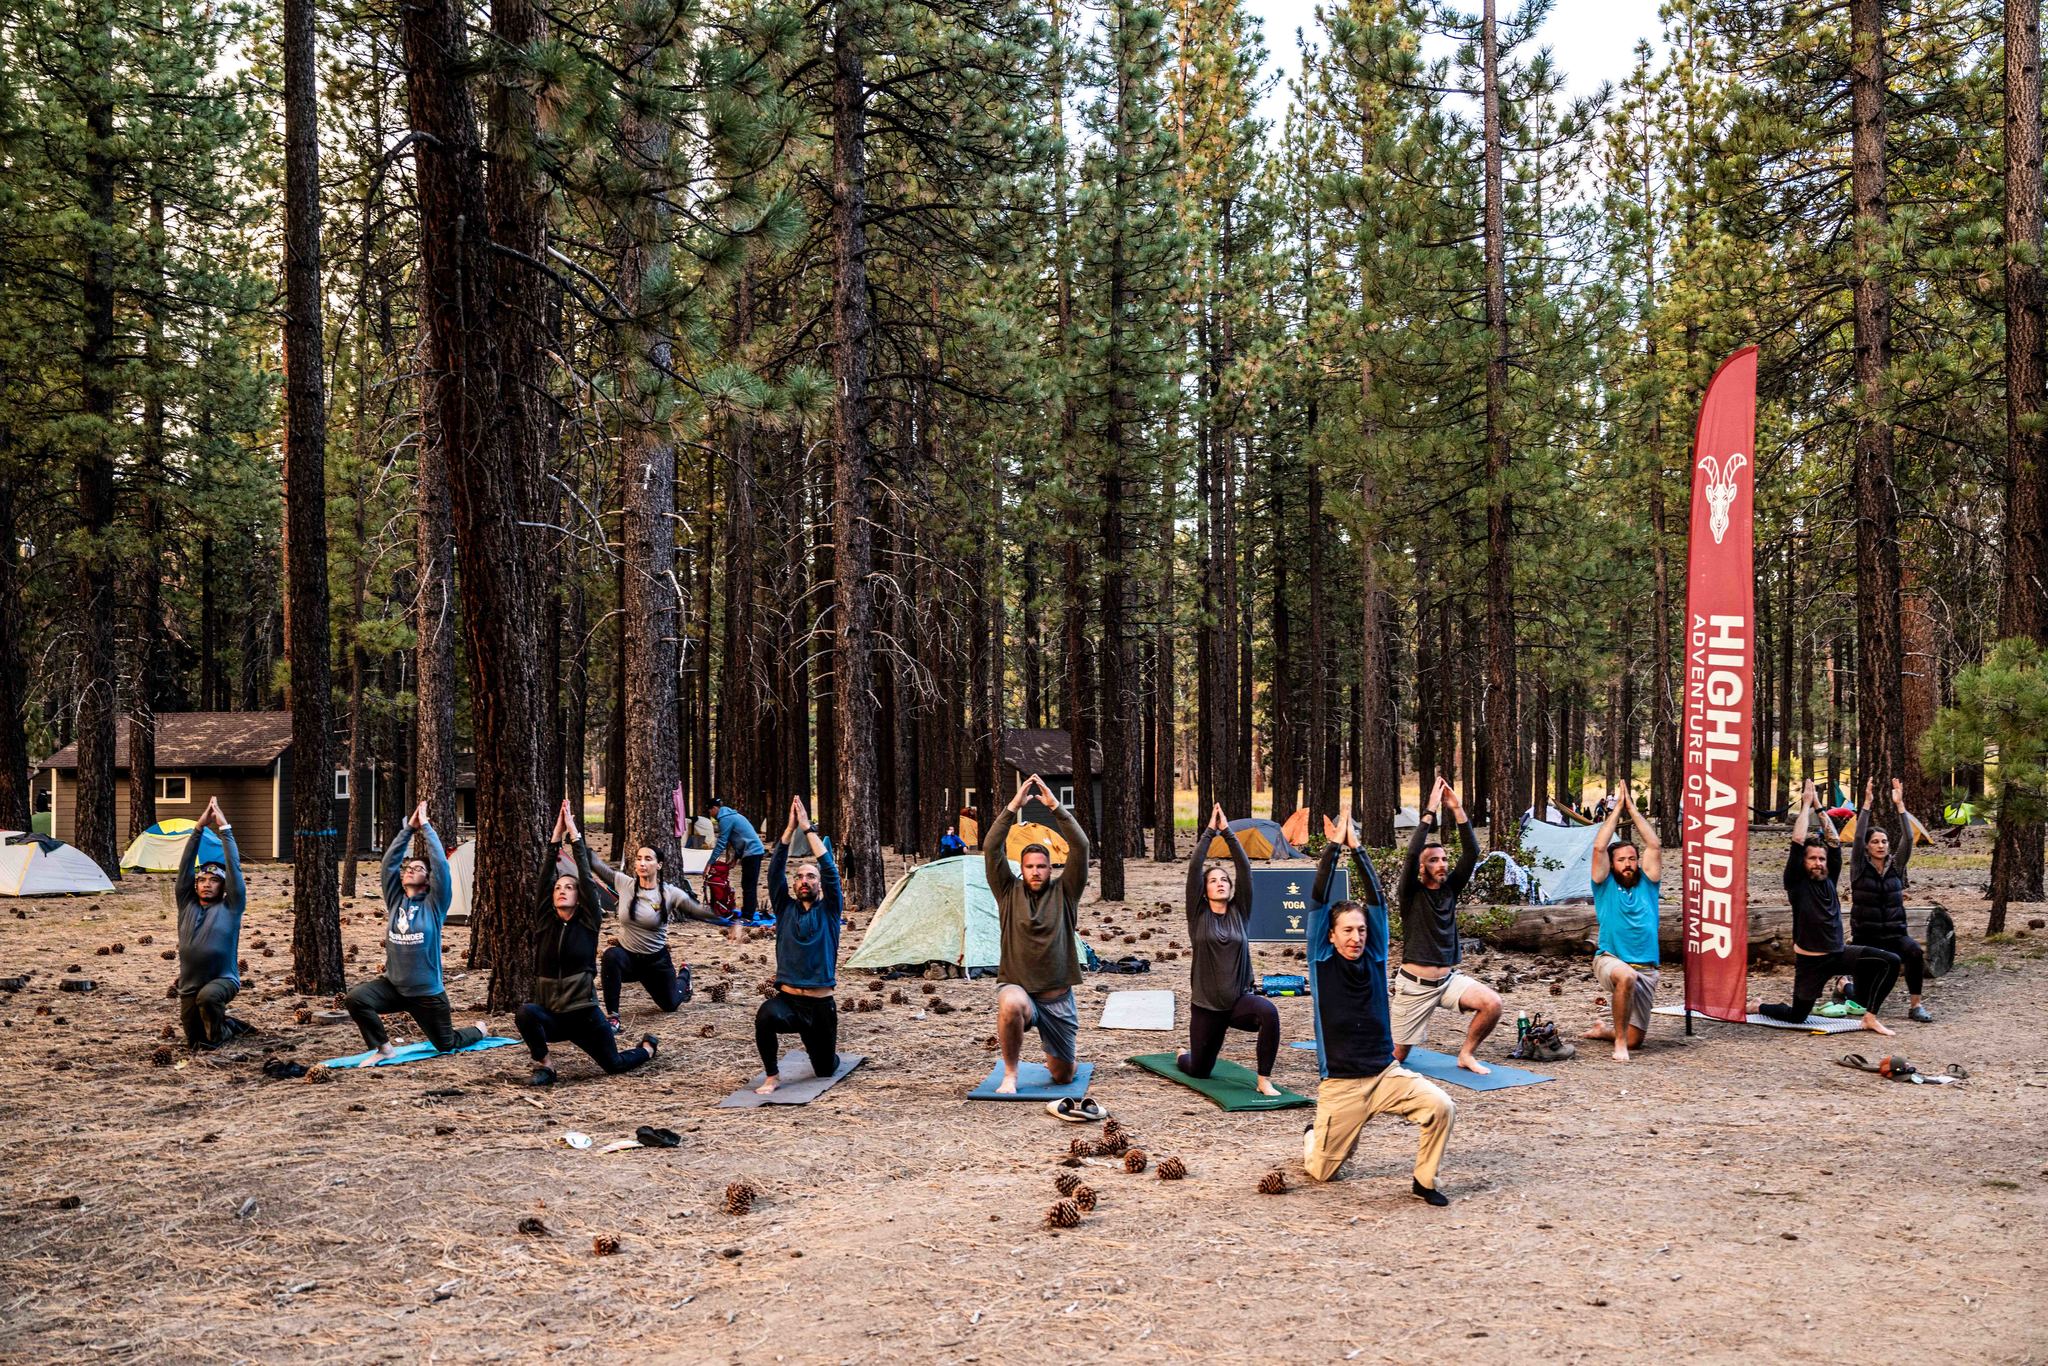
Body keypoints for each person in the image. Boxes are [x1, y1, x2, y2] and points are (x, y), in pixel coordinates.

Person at [1303, 813, 1457, 1206]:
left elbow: (1377, 902)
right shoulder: (1321, 961)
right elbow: (1318, 898)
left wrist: (1359, 849)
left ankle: (1424, 1181)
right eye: (1347, 931)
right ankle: (1313, 1134)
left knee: (1441, 1106)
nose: (1356, 937)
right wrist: (1335, 848)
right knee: (1321, 1172)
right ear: (1331, 935)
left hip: (1386, 1074)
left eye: (1361, 929)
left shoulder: (1373, 957)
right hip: (1341, 1086)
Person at [516, 801, 659, 1085]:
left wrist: (575, 837)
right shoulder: (545, 922)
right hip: (552, 1016)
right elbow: (545, 881)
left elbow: (586, 878)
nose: (561, 891)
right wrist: (554, 840)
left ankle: (647, 1049)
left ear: (579, 896)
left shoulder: (588, 922)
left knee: (614, 1065)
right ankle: (545, 1065)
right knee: (525, 1013)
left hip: (585, 1017)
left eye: (568, 888)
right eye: (559, 888)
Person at [1753, 780, 1900, 1034]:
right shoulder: (1796, 883)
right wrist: (1807, 804)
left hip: (1838, 953)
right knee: (1798, 1016)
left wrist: (1820, 807)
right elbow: (1797, 840)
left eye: (1821, 859)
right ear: (1803, 862)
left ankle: (1869, 1016)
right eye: (1813, 858)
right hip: (1811, 963)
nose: (1819, 862)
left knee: (1891, 962)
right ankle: (1759, 1006)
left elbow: (1834, 843)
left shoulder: (1829, 878)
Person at [345, 802, 485, 1060]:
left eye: (418, 868)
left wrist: (427, 827)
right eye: (409, 867)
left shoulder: (435, 905)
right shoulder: (396, 899)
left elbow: (442, 866)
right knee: (356, 999)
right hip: (393, 987)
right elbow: (388, 864)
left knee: (446, 1044)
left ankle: (478, 1030)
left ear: (428, 879)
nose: (410, 869)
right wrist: (409, 828)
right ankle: (384, 1048)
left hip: (427, 994)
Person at [984, 773, 1090, 1095]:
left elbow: (1081, 845)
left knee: (1062, 1077)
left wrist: (1055, 807)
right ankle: (1011, 1075)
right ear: (1021, 868)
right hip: (1020, 990)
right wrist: (1013, 806)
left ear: (1050, 868)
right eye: (1029, 866)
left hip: (1057, 998)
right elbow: (991, 847)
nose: (1035, 871)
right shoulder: (1006, 891)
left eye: (1041, 866)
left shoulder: (1066, 892)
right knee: (1011, 1003)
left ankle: (1059, 1058)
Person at [1391, 778, 1500, 1074]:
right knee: (1397, 1056)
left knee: (1492, 1003)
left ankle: (1466, 1054)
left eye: (1443, 859)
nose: (1442, 864)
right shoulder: (1410, 894)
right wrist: (1429, 810)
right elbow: (1412, 854)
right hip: (1415, 987)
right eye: (1434, 860)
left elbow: (1472, 853)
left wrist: (1457, 808)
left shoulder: (1450, 889)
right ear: (1423, 868)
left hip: (1448, 982)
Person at [1177, 802, 1280, 1095]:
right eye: (1213, 881)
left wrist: (1230, 834)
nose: (1220, 883)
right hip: (1206, 1007)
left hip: (1238, 1003)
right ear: (1204, 889)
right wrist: (1210, 831)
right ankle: (1182, 1055)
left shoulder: (1239, 911)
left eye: (1224, 880)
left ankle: (1263, 1079)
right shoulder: (1197, 915)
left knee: (1269, 1013)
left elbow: (1245, 869)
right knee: (1199, 1070)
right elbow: (1194, 869)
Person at [752, 796, 844, 1094]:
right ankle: (772, 1075)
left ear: (819, 884)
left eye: (811, 877)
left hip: (820, 1006)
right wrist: (788, 830)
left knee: (824, 1069)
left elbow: (829, 868)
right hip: (790, 1003)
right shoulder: (784, 907)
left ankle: (824, 1051)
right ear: (794, 885)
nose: (804, 880)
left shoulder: (830, 910)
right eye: (800, 877)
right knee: (765, 1015)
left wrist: (807, 828)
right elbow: (774, 871)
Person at [591, 843, 730, 1029]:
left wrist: (731, 922)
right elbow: (596, 865)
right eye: (639, 859)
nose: (642, 863)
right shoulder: (624, 883)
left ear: (659, 865)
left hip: (655, 963)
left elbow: (697, 911)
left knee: (670, 1005)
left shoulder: (669, 893)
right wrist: (574, 834)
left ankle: (684, 976)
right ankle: (613, 1017)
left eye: (648, 859)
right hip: (628, 959)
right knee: (611, 955)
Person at [1583, 785, 1664, 1062]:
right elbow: (1598, 847)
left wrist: (1633, 810)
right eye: (1621, 860)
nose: (1627, 864)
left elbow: (1654, 845)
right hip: (1610, 958)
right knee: (1625, 977)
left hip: (1648, 969)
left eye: (1631, 859)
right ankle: (1619, 1044)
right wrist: (1616, 810)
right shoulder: (1603, 885)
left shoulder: (1649, 882)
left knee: (1636, 1039)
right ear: (1612, 864)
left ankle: (1607, 1031)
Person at [1850, 777, 1933, 1023]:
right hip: (1867, 938)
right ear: (1866, 847)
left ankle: (1916, 1005)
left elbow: (1908, 839)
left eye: (1884, 841)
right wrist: (1866, 804)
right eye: (1874, 842)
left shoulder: (1896, 867)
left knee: (1915, 952)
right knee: (1862, 999)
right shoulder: (1858, 868)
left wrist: (1900, 805)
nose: (1881, 845)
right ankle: (1845, 984)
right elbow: (1855, 839)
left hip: (1895, 934)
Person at [174, 797, 246, 1048]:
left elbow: (234, 869)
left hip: (224, 980)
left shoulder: (231, 906)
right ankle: (228, 1024)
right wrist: (198, 828)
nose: (207, 883)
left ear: (223, 886)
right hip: (189, 986)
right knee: (194, 1041)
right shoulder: (187, 904)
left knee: (209, 1001)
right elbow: (184, 868)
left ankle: (222, 1033)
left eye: (214, 880)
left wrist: (225, 829)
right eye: (202, 879)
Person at [705, 798, 768, 923]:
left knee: (749, 885)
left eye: (710, 811)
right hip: (750, 851)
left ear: (714, 808)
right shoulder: (733, 815)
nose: (710, 814)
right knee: (747, 884)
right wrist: (736, 858)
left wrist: (710, 862)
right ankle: (747, 912)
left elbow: (722, 842)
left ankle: (748, 916)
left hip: (752, 852)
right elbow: (740, 838)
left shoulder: (725, 819)